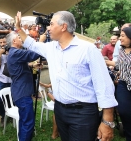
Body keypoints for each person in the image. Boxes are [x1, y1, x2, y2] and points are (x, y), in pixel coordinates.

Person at [15, 11, 118, 141]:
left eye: (51, 24)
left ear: (63, 27)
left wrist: (107, 120)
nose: (48, 28)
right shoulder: (51, 48)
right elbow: (31, 44)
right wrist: (18, 28)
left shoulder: (87, 49)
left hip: (83, 113)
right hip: (60, 111)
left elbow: (104, 85)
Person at [6, 32, 40, 141]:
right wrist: (41, 42)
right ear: (14, 41)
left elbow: (20, 66)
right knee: (28, 122)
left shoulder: (14, 52)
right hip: (22, 93)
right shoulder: (16, 52)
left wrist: (32, 65)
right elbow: (33, 54)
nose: (21, 39)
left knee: (24, 121)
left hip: (20, 92)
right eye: (19, 37)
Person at [106, 27, 131, 141]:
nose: (120, 38)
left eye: (122, 36)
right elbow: (119, 65)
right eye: (120, 36)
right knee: (123, 111)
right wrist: (105, 62)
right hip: (123, 84)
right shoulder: (121, 50)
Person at [0, 35, 12, 127]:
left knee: (14, 99)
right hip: (1, 81)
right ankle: (3, 116)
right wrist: (0, 54)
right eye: (0, 43)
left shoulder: (12, 51)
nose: (2, 44)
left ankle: (12, 115)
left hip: (12, 80)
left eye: (4, 42)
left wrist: (9, 53)